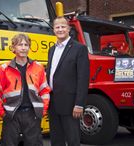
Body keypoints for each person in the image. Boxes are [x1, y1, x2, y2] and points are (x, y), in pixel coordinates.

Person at [0, 33, 51, 146]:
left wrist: (42, 110)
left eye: (26, 44)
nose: (23, 47)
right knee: (8, 143)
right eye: (20, 44)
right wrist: (2, 113)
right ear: (13, 48)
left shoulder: (38, 67)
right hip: (11, 114)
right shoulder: (4, 69)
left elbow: (45, 91)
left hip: (32, 114)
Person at [46, 17, 90, 146]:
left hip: (70, 104)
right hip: (53, 101)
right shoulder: (51, 50)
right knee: (56, 138)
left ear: (69, 29)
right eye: (57, 27)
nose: (60, 29)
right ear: (53, 30)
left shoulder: (79, 48)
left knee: (72, 139)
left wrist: (79, 104)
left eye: (63, 27)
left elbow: (83, 78)